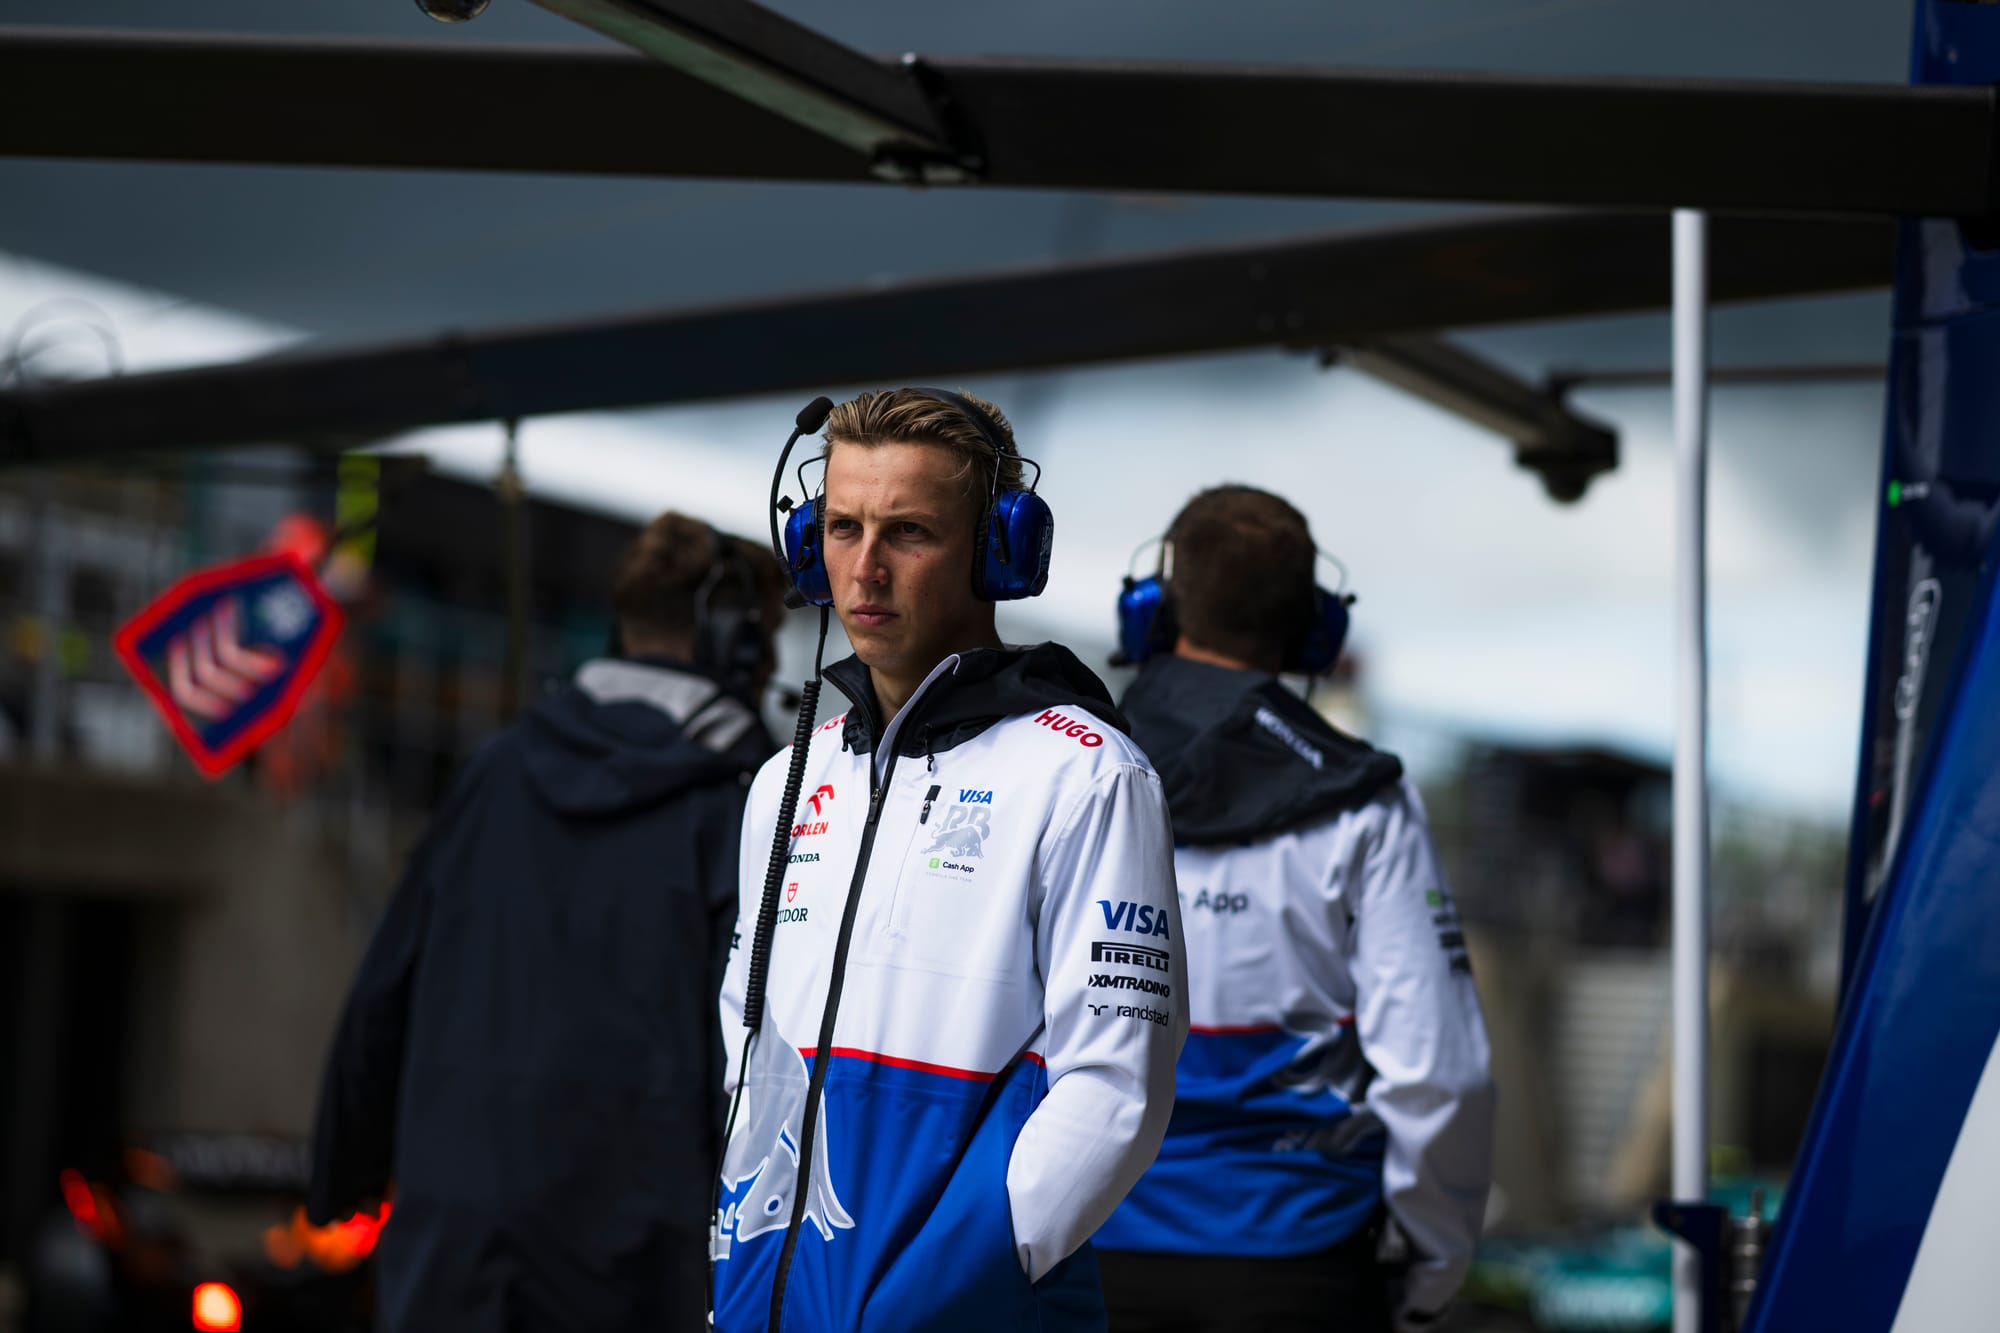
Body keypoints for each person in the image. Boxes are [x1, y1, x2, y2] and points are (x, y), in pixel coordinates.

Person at [710, 388, 1187, 1332]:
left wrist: (958, 1282)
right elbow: (748, 1046)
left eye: (910, 531)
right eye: (841, 528)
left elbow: (1117, 1089)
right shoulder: (786, 779)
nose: (866, 568)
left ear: (997, 551)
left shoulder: (1087, 774)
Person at [307, 512, 787, 1333]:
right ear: (733, 641)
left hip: (450, 1266)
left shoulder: (493, 772)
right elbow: (749, 1068)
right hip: (636, 1280)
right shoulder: (736, 809)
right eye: (767, 640)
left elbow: (383, 992)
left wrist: (339, 1178)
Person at [1092, 486, 1495, 1333]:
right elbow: (1437, 1074)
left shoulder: (1072, 772)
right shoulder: (1365, 802)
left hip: (1083, 1257)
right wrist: (1433, 1264)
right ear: (1317, 628)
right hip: (1302, 1269)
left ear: (1154, 610)